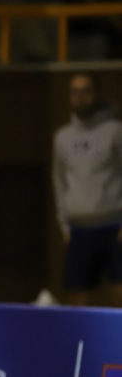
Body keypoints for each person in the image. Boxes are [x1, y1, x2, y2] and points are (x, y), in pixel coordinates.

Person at [52, 73, 122, 306]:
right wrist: (64, 224)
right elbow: (59, 180)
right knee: (76, 294)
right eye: (75, 92)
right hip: (79, 227)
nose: (81, 97)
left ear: (96, 93)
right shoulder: (62, 137)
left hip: (114, 224)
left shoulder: (115, 130)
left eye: (86, 90)